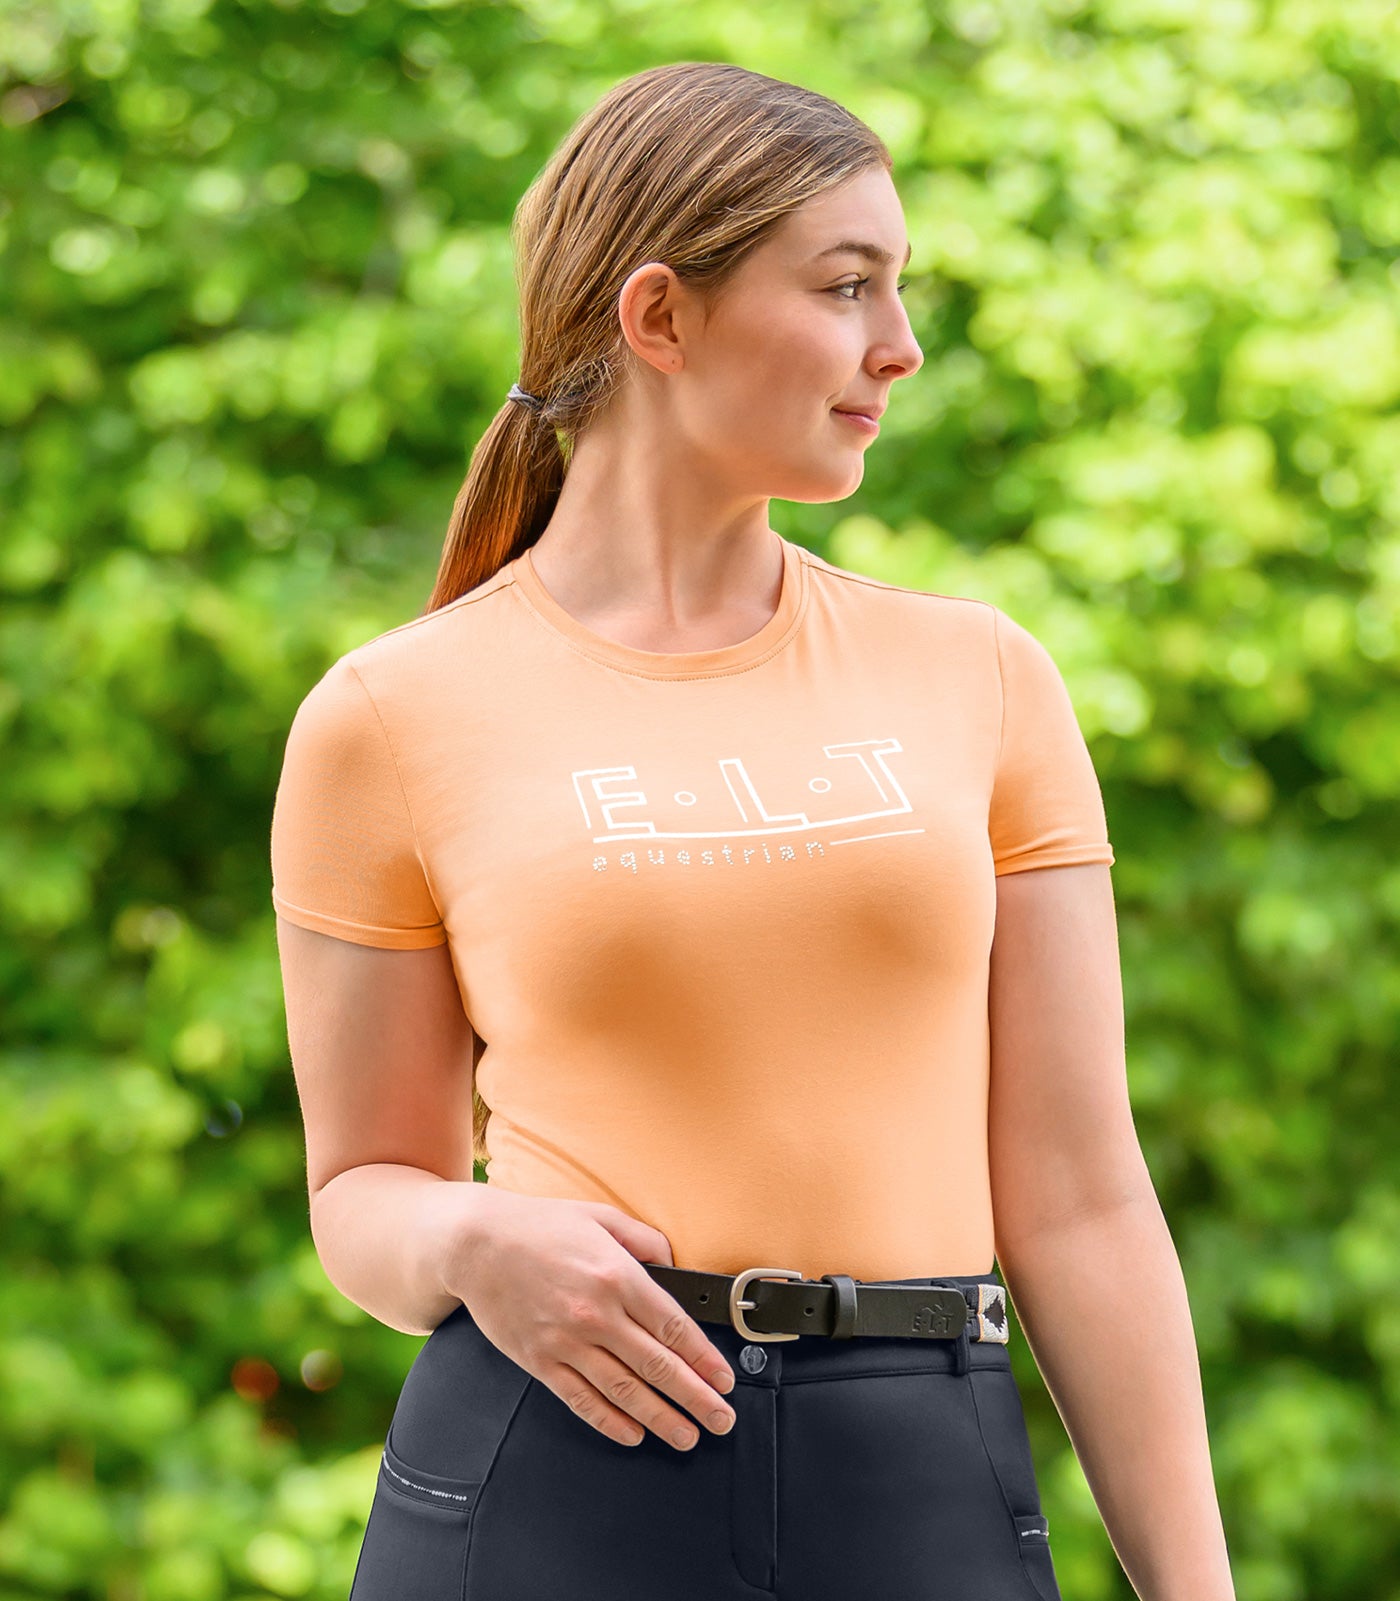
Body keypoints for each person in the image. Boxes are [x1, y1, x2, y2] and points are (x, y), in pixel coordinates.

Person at [269, 60, 1236, 1601]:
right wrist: (468, 1241)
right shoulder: (390, 715)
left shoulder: (983, 678)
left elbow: (1081, 1195)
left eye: (898, 287)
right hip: (551, 1477)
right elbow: (363, 1190)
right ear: (660, 318)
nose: (900, 344)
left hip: (925, 1487)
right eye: (847, 286)